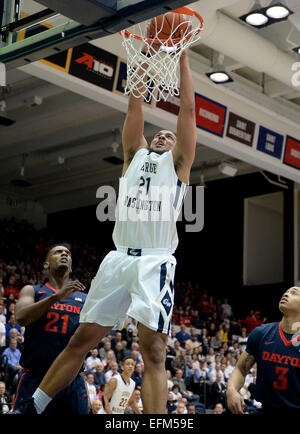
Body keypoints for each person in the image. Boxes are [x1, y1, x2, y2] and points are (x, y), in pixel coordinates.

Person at [14, 46, 196, 416]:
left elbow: (188, 112)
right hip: (117, 259)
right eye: (157, 135)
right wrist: (140, 65)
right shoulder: (133, 157)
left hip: (153, 262)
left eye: (169, 136)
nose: (163, 136)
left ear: (178, 149)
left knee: (154, 350)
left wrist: (183, 58)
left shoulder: (177, 167)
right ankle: (30, 408)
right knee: (81, 340)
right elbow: (134, 107)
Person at [13, 244, 88, 414]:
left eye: (67, 253)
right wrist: (56, 297)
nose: (64, 254)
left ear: (71, 265)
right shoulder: (33, 290)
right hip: (35, 378)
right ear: (46, 264)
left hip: (71, 381)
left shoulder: (85, 298)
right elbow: (21, 317)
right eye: (58, 252)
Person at [227, 286, 300, 413]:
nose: (287, 294)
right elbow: (240, 369)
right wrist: (231, 391)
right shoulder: (261, 333)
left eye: (294, 293)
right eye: (286, 291)